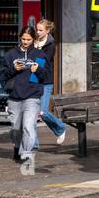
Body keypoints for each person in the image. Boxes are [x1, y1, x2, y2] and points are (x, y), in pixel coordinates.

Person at [0, 27, 49, 168]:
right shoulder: (10, 55)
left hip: (32, 97)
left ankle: (27, 155)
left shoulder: (39, 55)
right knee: (16, 129)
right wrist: (13, 69)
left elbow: (46, 77)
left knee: (28, 127)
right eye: (23, 39)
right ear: (19, 38)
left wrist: (38, 69)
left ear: (33, 39)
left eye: (28, 39)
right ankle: (17, 147)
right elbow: (2, 77)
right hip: (14, 97)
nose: (26, 42)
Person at [32, 18, 67, 146]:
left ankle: (60, 128)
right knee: (32, 114)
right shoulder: (33, 42)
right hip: (33, 80)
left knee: (43, 112)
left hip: (45, 81)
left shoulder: (50, 45)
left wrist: (35, 51)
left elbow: (43, 61)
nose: (38, 32)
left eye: (41, 30)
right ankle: (33, 143)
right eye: (37, 29)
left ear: (47, 30)